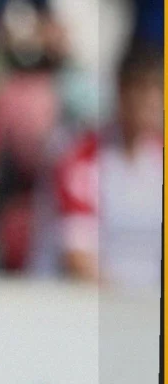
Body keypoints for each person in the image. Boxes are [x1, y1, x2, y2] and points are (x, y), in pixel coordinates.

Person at [54, 43, 162, 290]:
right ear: (121, 92)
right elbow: (77, 257)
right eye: (142, 89)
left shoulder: (159, 157)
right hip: (91, 301)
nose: (152, 101)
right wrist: (126, 302)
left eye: (159, 90)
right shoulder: (83, 159)